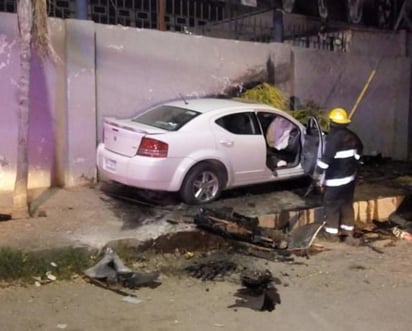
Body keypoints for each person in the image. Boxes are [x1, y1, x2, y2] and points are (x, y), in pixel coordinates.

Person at [315, 108, 363, 243]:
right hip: (349, 179)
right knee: (347, 204)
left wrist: (317, 173)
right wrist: (353, 162)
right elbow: (359, 152)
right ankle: (347, 231)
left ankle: (331, 234)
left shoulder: (333, 137)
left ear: (331, 122)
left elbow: (327, 159)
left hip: (335, 180)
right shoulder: (353, 136)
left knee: (331, 205)